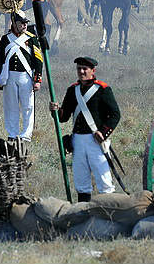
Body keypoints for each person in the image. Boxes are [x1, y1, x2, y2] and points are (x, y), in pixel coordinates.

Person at [49, 57, 120, 202]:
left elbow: (115, 114)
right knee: (81, 183)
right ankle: (83, 213)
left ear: (93, 70)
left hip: (95, 140)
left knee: (104, 181)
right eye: (79, 68)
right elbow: (64, 117)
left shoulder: (102, 89)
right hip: (78, 141)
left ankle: (109, 214)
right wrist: (56, 111)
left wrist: (104, 132)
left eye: (85, 69)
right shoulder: (72, 90)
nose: (81, 71)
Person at [0, 10, 43, 142]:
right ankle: (12, 133)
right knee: (11, 106)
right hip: (9, 76)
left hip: (26, 76)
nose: (24, 25)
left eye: (25, 23)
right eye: (21, 23)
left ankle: (26, 134)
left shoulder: (31, 38)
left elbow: (38, 60)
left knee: (28, 106)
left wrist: (37, 79)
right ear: (14, 24)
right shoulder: (6, 39)